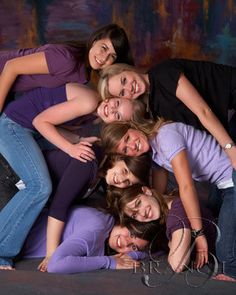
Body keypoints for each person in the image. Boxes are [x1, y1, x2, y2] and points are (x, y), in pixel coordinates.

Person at [100, 120, 236, 281]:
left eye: (128, 138)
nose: (132, 146)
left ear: (132, 127)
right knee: (214, 216)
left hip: (231, 177)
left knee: (226, 256)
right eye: (125, 149)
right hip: (221, 183)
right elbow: (158, 192)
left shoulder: (165, 137)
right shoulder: (156, 154)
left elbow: (186, 187)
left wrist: (198, 235)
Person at [97, 61, 236, 169]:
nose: (129, 88)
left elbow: (204, 112)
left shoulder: (163, 73)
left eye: (124, 80)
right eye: (122, 93)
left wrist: (230, 149)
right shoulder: (152, 108)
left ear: (126, 70)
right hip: (227, 125)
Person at [0, 23, 134, 112]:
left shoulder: (83, 74)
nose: (104, 57)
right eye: (103, 48)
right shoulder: (66, 59)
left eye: (112, 56)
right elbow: (11, 66)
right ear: (95, 41)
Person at [107, 184, 218, 276]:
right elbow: (152, 251)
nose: (142, 213)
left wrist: (173, 247)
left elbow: (178, 265)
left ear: (146, 191)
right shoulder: (161, 220)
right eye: (135, 215)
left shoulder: (177, 210)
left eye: (138, 203)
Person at [21, 205, 157, 274]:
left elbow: (150, 253)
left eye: (133, 246)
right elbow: (55, 265)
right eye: (131, 234)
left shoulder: (107, 224)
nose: (126, 242)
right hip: (13, 239)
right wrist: (109, 261)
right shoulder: (96, 228)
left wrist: (134, 253)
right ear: (124, 221)